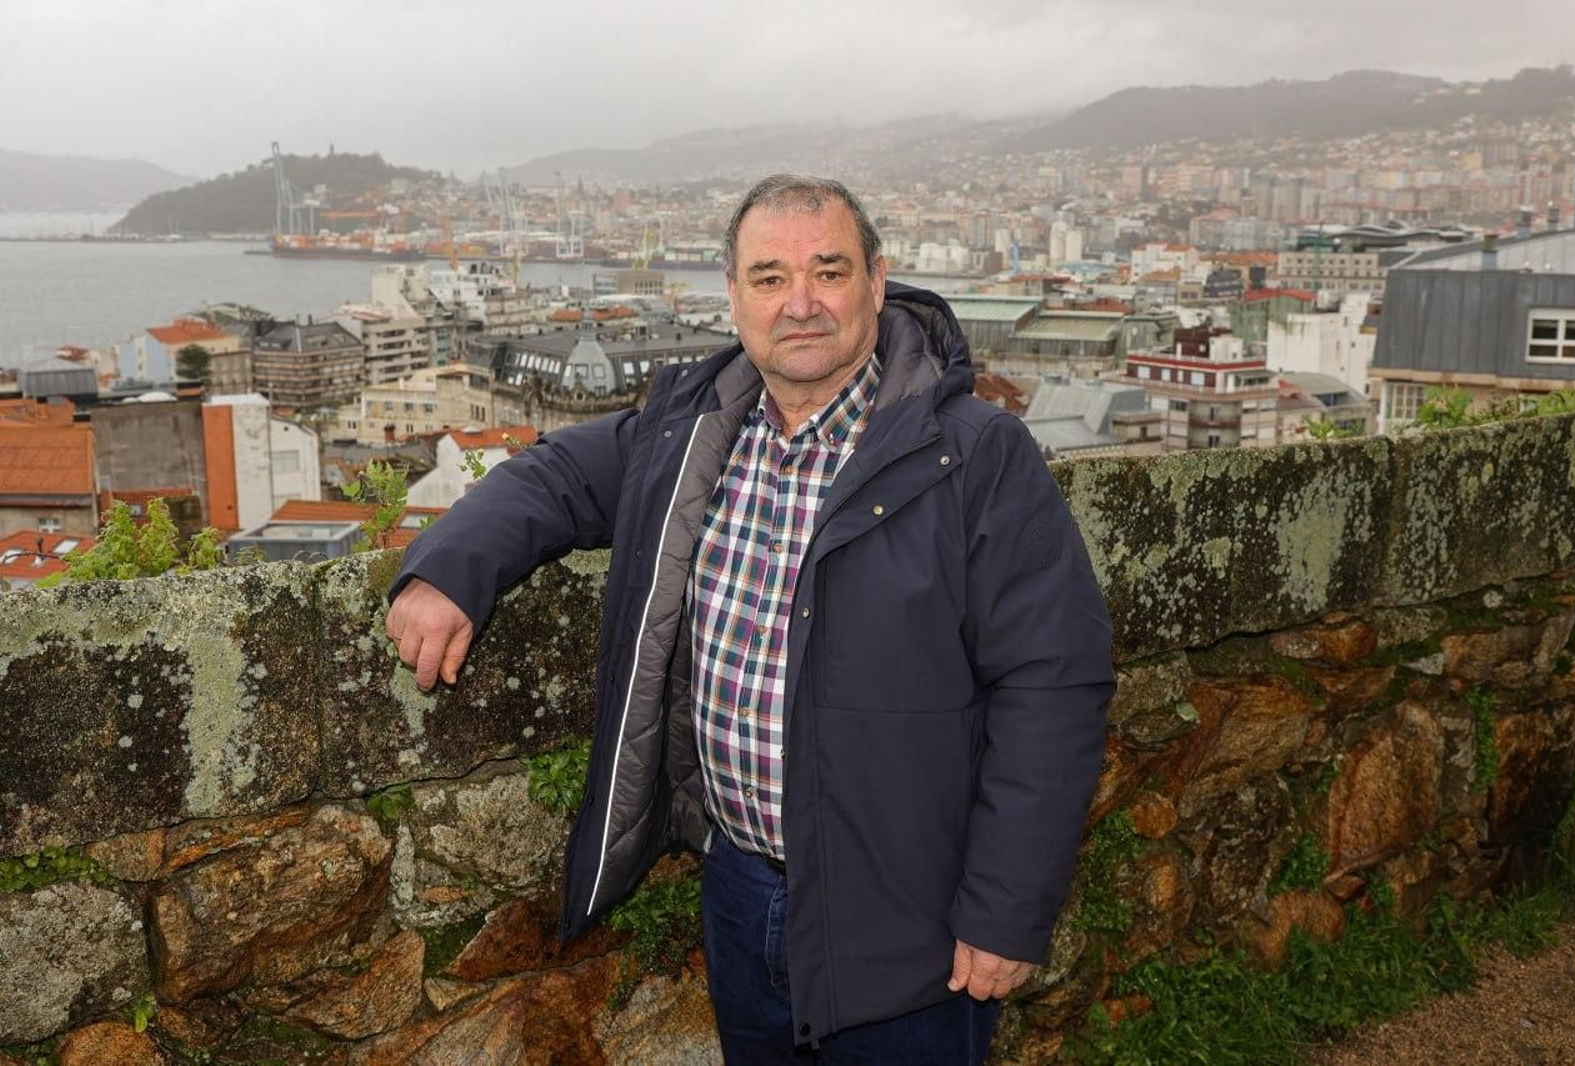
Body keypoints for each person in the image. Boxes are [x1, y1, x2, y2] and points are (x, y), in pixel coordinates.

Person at [385, 174, 1114, 1063]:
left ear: (878, 286)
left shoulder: (974, 454)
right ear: (733, 299)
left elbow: (1053, 685)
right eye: (769, 277)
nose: (799, 303)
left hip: (906, 908)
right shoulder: (689, 430)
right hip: (738, 886)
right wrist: (447, 573)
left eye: (828, 272)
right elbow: (556, 476)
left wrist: (1005, 909)